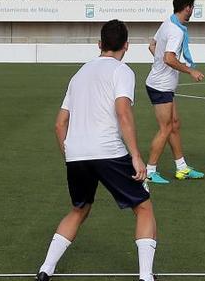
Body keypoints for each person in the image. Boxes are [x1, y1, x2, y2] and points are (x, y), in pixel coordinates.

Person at [36, 20, 157, 281]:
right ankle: (146, 277)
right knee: (143, 207)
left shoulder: (79, 74)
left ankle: (46, 269)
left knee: (79, 208)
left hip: (76, 154)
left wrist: (70, 156)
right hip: (108, 151)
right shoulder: (122, 71)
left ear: (99, 44)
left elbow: (59, 125)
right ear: (127, 45)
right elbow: (123, 112)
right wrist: (136, 155)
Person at [144, 0, 205, 183]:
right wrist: (190, 71)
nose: (192, 10)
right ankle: (150, 171)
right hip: (160, 86)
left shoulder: (167, 23)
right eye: (192, 7)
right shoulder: (176, 31)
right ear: (187, 7)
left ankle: (182, 168)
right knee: (166, 128)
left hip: (163, 85)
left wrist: (159, 64)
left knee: (174, 125)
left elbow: (152, 45)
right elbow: (169, 58)